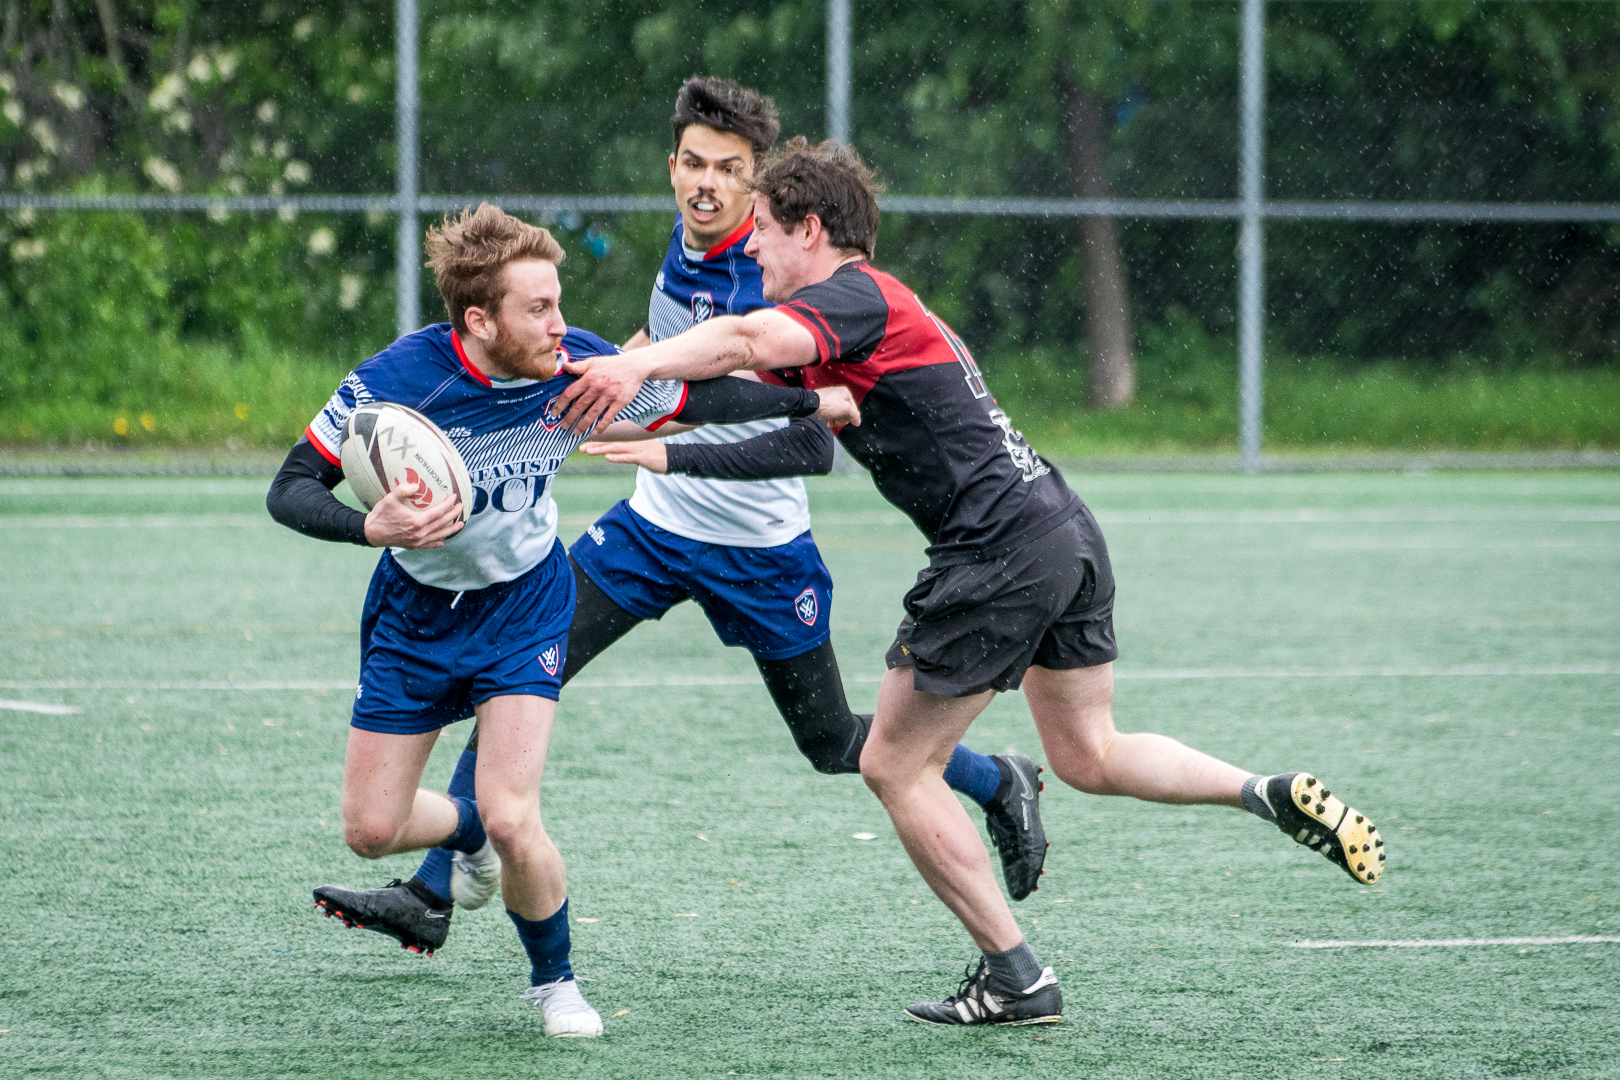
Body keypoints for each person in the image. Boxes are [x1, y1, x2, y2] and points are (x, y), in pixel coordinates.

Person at [550, 138, 1387, 1027]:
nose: (750, 249)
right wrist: (663, 440)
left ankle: (1016, 976)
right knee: (1089, 754)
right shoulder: (840, 330)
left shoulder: (856, 297)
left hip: (996, 551)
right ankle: (1259, 788)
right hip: (1059, 527)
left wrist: (638, 363)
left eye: (764, 232)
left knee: (894, 763)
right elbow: (795, 430)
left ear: (810, 228)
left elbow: (745, 339)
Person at [344, 76, 1049, 963]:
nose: (708, 185)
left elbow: (809, 444)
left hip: (760, 551)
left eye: (731, 170)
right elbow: (650, 366)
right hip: (648, 532)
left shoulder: (778, 280)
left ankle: (997, 777)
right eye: (694, 163)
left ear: (763, 190)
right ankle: (437, 889)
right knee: (525, 672)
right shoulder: (681, 248)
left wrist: (669, 447)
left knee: (832, 739)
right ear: (671, 166)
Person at [264, 202, 857, 1037]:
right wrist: (370, 526)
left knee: (515, 813)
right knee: (370, 831)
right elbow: (288, 488)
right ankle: (463, 834)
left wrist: (808, 403)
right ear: (480, 319)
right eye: (537, 309)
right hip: (414, 615)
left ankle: (556, 983)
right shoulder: (396, 383)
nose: (561, 325)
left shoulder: (576, 368)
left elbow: (691, 398)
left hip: (528, 604)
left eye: (559, 302)